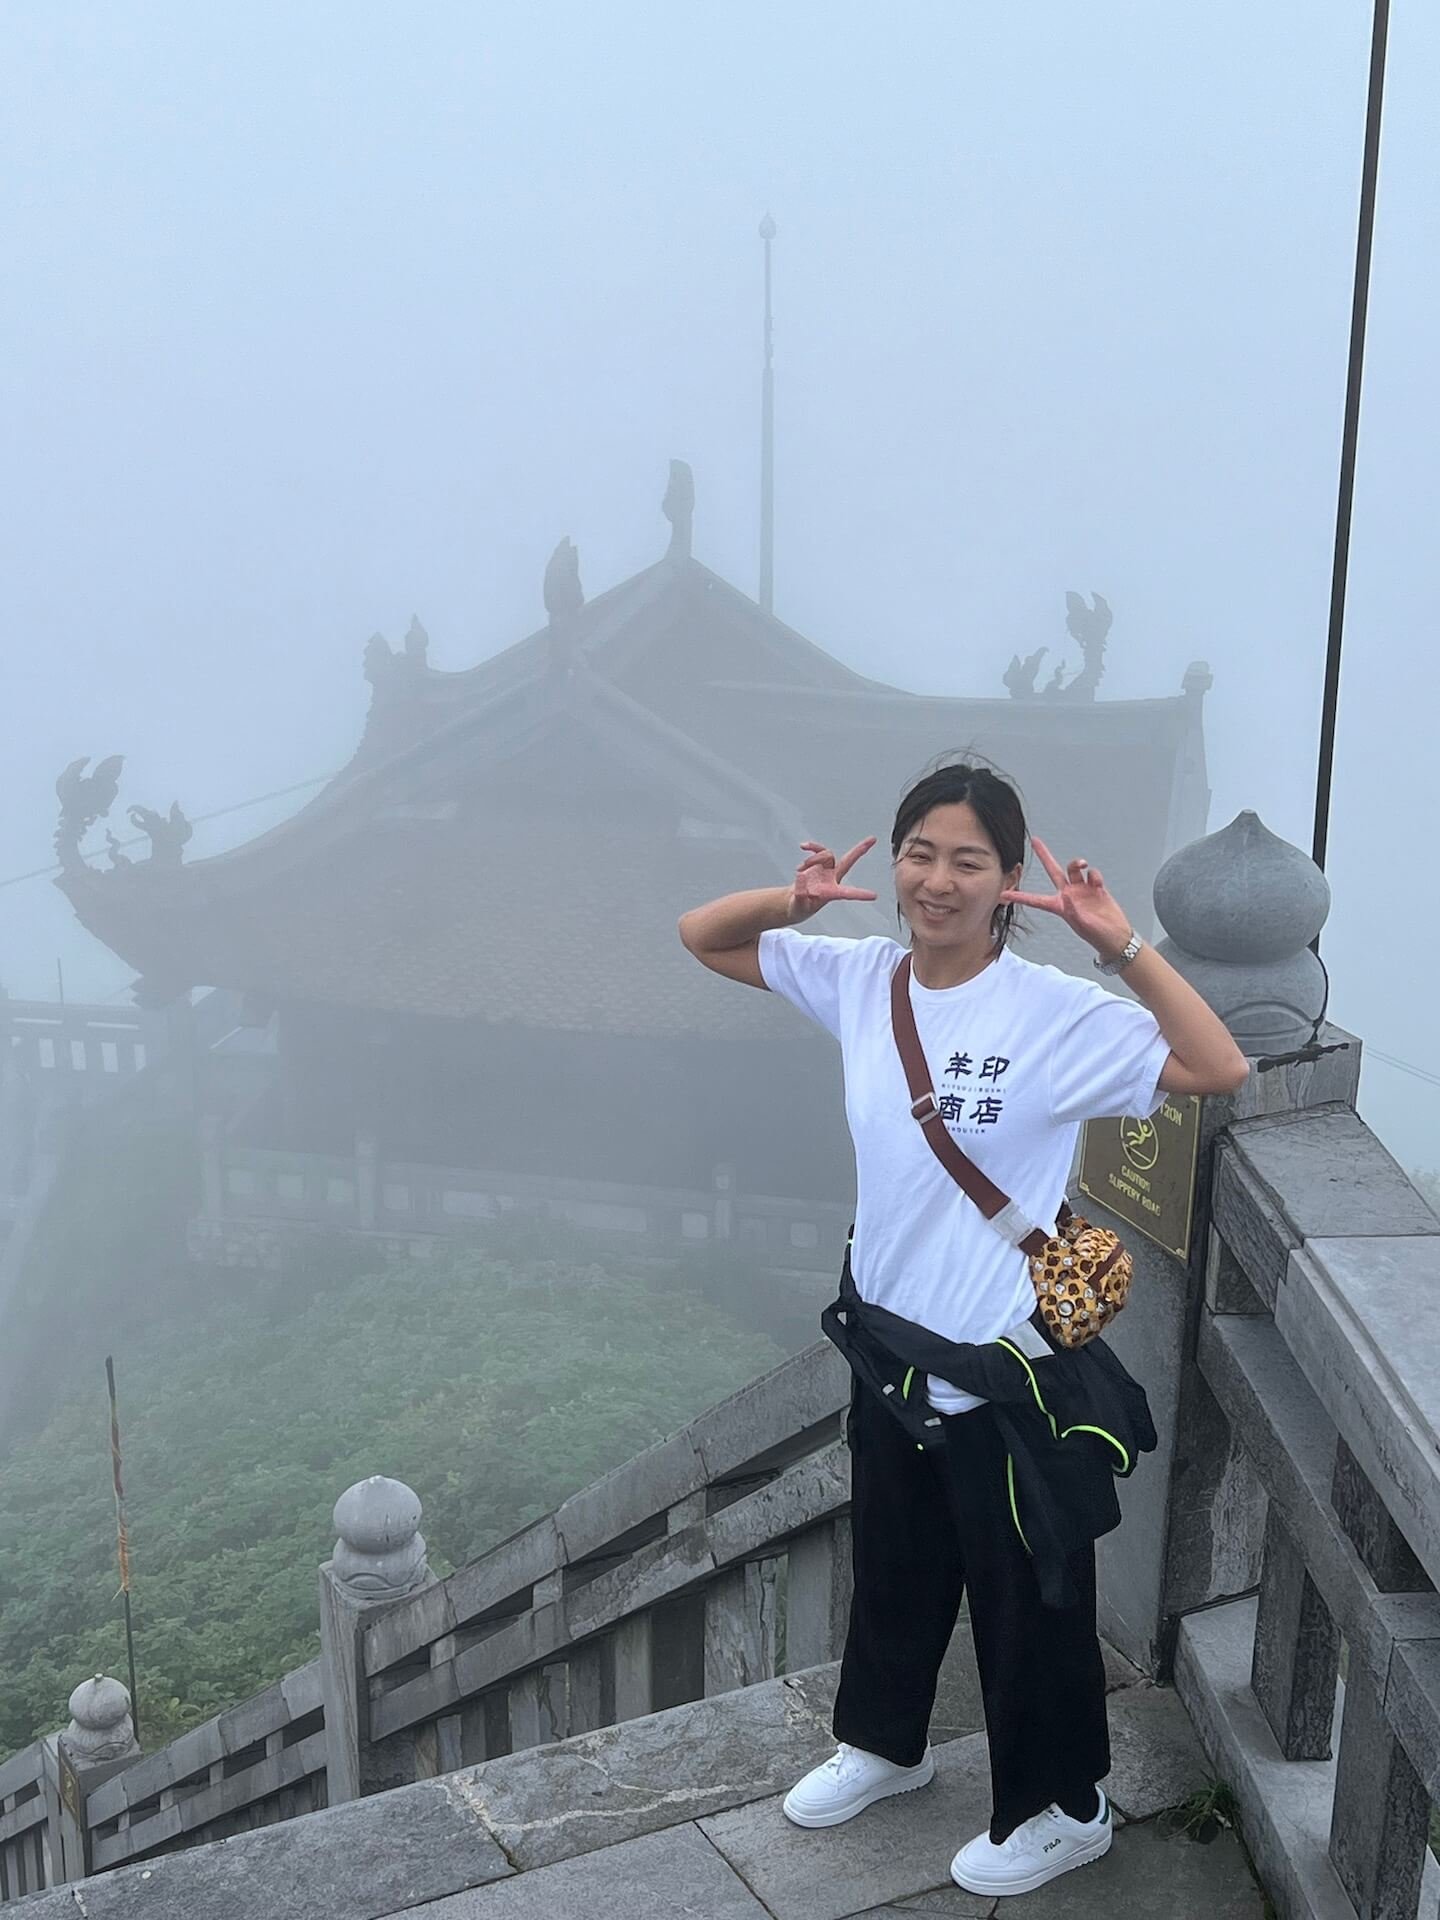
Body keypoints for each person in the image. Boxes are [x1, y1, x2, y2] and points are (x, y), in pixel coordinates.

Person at [677, 761, 1248, 1898]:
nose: (937, 880)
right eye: (920, 852)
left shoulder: (1051, 1012)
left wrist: (1119, 945)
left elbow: (1214, 1064)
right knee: (895, 1570)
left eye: (968, 861)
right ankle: (886, 1747)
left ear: (1004, 886)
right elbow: (703, 935)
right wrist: (789, 905)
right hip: (890, 1350)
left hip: (1002, 1365)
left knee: (1028, 1594)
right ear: (895, 864)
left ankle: (1066, 1805)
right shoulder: (859, 980)